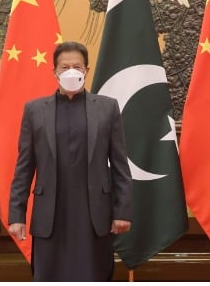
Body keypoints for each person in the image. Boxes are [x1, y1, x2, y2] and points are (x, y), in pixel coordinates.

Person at [8, 41, 132, 281]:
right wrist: (16, 214)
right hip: (51, 215)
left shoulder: (107, 108)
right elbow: (24, 166)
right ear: (54, 71)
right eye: (65, 67)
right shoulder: (34, 110)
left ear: (87, 70)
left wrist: (123, 211)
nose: (71, 71)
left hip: (94, 215)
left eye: (77, 66)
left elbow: (120, 166)